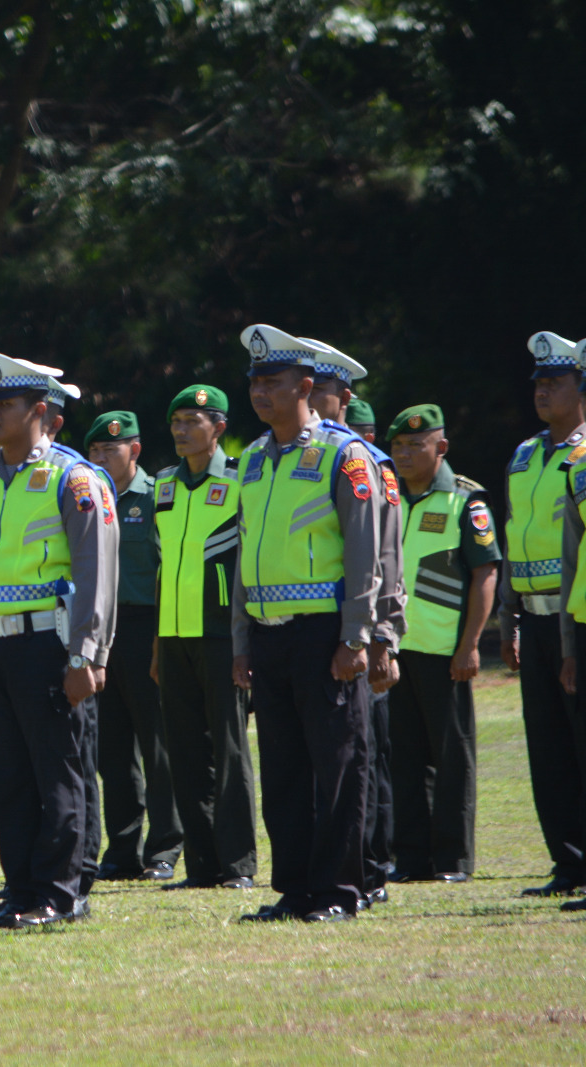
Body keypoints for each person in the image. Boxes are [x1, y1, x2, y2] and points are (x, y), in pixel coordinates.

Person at [0, 352, 119, 929]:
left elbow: (98, 576)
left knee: (58, 771)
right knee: (5, 774)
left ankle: (60, 892)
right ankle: (20, 888)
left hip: (49, 644)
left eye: (6, 404)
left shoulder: (76, 479)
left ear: (40, 412)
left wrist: (86, 655)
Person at [231, 325, 382, 924]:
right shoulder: (252, 460)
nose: (261, 392)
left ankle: (341, 890)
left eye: (273, 381)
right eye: (255, 382)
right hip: (268, 634)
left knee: (338, 765)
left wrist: (356, 636)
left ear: (306, 386)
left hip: (324, 634)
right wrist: (242, 640)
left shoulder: (346, 456)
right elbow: (245, 553)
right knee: (286, 769)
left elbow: (365, 553)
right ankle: (295, 889)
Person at [303, 340, 405, 908]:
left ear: (343, 397)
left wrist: (384, 636)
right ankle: (331, 873)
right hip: (313, 631)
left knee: (358, 758)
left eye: (321, 390)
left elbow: (384, 559)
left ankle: (366, 874)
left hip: (357, 632)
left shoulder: (360, 459)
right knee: (326, 761)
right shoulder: (296, 458)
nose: (311, 399)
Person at [148, 385, 257, 891]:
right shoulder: (164, 485)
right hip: (173, 639)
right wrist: (155, 644)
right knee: (184, 754)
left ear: (218, 427)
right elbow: (161, 566)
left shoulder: (240, 480)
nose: (181, 430)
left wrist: (245, 642)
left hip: (221, 636)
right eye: (176, 422)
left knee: (231, 752)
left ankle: (238, 865)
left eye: (193, 420)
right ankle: (202, 866)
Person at [387, 404, 497, 884]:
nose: (405, 453)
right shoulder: (388, 496)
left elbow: (485, 574)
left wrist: (470, 644)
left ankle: (453, 860)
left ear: (442, 448)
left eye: (416, 444)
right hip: (395, 652)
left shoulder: (464, 502)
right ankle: (412, 859)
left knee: (452, 758)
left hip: (444, 653)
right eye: (398, 446)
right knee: (404, 759)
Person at [500, 331, 586, 898]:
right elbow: (513, 534)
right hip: (532, 615)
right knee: (547, 746)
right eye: (539, 383)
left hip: (573, 614)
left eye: (555, 382)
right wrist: (507, 616)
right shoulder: (526, 453)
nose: (543, 392)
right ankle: (568, 861)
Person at [84, 410, 182, 882]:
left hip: (147, 627)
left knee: (158, 742)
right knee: (112, 747)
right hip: (102, 630)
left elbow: (170, 566)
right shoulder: (87, 498)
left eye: (110, 449)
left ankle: (165, 846)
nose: (101, 457)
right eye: (95, 450)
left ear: (135, 451)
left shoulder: (157, 495)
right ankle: (123, 848)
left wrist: (164, 640)